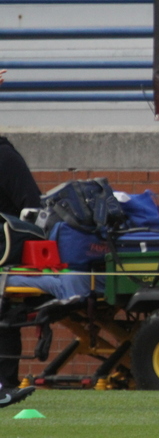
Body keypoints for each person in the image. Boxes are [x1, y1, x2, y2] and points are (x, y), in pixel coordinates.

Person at [0, 106, 40, 406]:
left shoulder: (5, 158)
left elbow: (31, 208)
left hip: (5, 254)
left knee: (5, 316)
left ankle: (5, 384)